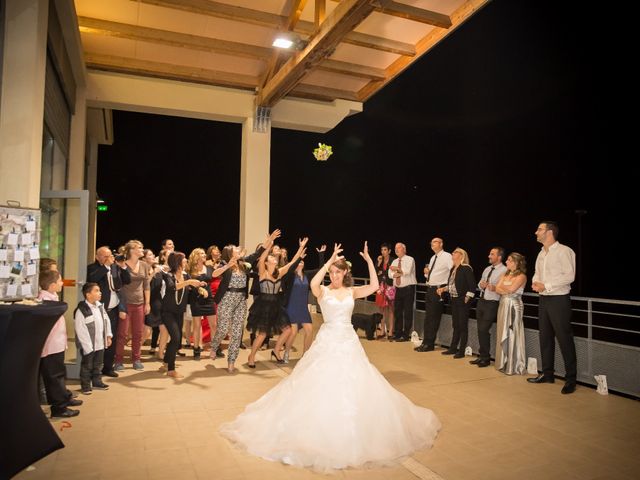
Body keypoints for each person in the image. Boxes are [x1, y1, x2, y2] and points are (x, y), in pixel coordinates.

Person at [219, 242, 441, 471]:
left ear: (345, 273)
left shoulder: (352, 291)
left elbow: (375, 285)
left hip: (348, 342)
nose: (334, 275)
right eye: (332, 272)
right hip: (327, 341)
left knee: (355, 383)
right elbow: (314, 282)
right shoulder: (323, 290)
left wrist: (367, 260)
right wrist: (328, 261)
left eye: (338, 271)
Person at [528, 221, 577, 394]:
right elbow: (536, 272)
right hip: (544, 300)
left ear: (549, 232)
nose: (536, 232)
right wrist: (535, 282)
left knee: (564, 338)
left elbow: (569, 276)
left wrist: (546, 285)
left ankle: (571, 379)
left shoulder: (565, 251)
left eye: (539, 229)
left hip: (559, 300)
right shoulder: (541, 253)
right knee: (545, 337)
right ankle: (548, 374)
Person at [246, 237, 308, 367]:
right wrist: (269, 244)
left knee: (287, 329)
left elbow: (292, 263)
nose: (274, 259)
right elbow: (261, 259)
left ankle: (276, 350)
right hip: (264, 304)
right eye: (271, 258)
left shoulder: (279, 272)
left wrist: (301, 247)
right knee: (263, 334)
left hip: (276, 304)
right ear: (268, 263)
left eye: (274, 258)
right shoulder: (263, 272)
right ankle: (251, 356)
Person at [38, 269, 83, 418]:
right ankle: (59, 408)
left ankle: (64, 398)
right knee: (54, 377)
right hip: (50, 347)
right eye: (59, 281)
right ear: (51, 285)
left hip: (56, 344)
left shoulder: (52, 296)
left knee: (59, 373)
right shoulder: (46, 302)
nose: (62, 283)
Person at [86, 246, 131, 377]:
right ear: (97, 257)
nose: (108, 258)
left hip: (113, 309)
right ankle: (93, 370)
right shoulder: (92, 268)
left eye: (109, 255)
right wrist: (105, 267)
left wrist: (122, 266)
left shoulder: (115, 267)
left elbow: (127, 280)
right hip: (99, 309)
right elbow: (92, 279)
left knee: (112, 338)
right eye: (105, 256)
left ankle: (108, 367)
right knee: (97, 339)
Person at [282, 245, 326, 362]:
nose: (301, 262)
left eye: (302, 261)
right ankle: (286, 353)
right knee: (294, 331)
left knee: (309, 330)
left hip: (303, 308)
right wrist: (297, 258)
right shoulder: (290, 275)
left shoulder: (307, 275)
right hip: (291, 307)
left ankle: (305, 356)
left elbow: (321, 269)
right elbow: (290, 268)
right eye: (299, 261)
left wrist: (321, 254)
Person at [74, 283, 113, 395]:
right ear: (88, 295)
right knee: (87, 365)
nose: (100, 292)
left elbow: (107, 321)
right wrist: (87, 346)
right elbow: (80, 329)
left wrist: (108, 336)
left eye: (99, 290)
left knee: (98, 364)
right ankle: (85, 385)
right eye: (96, 290)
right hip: (88, 345)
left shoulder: (100, 306)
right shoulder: (82, 310)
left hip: (100, 343)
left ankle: (97, 382)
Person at [470, 247, 507, 368]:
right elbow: (480, 282)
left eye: (492, 254)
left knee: (483, 329)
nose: (489, 256)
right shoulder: (487, 269)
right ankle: (482, 356)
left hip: (492, 302)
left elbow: (503, 287)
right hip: (482, 300)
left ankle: (485, 358)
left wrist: (493, 287)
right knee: (480, 328)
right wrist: (481, 285)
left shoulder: (504, 270)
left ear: (499, 257)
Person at [436, 248, 476, 358]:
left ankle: (461, 350)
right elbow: (453, 286)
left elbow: (472, 285)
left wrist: (467, 297)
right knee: (456, 325)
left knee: (462, 326)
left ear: (461, 255)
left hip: (462, 300)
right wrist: (443, 289)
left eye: (455, 252)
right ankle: (453, 348)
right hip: (454, 300)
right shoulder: (453, 269)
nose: (452, 254)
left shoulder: (466, 268)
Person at [415, 238, 452, 352]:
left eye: (435, 242)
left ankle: (429, 344)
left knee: (434, 318)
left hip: (439, 289)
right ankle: (425, 342)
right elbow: (432, 274)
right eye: (431, 242)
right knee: (428, 317)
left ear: (441, 244)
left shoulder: (447, 256)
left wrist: (446, 286)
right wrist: (427, 273)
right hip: (430, 289)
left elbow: (453, 270)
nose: (432, 244)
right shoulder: (432, 257)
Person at [495, 252, 527, 375]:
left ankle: (513, 365)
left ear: (516, 263)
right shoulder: (505, 274)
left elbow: (512, 289)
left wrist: (503, 288)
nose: (506, 262)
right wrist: (504, 289)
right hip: (503, 304)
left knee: (513, 331)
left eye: (509, 260)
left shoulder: (522, 276)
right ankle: (503, 361)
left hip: (514, 306)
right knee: (502, 330)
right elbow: (497, 288)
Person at [387, 242, 416, 341]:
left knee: (407, 312)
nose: (396, 249)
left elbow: (406, 271)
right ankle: (398, 333)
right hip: (397, 289)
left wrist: (396, 270)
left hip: (408, 288)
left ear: (404, 249)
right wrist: (395, 273)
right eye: (395, 248)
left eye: (398, 247)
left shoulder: (410, 259)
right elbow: (390, 274)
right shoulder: (395, 261)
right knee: (397, 312)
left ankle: (405, 334)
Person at [375, 243, 395, 339]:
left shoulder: (393, 261)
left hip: (390, 287)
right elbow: (376, 272)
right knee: (381, 309)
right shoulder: (380, 260)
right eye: (382, 250)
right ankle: (382, 330)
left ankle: (390, 331)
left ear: (389, 251)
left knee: (391, 309)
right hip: (381, 287)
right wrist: (378, 263)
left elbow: (392, 273)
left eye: (385, 250)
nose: (383, 252)